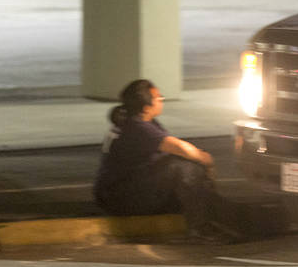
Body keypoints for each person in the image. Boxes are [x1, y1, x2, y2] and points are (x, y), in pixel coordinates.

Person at [93, 79, 235, 244]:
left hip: (121, 191)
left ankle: (212, 217)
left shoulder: (133, 120)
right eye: (159, 98)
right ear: (146, 107)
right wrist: (207, 160)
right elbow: (179, 148)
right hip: (119, 199)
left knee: (184, 165)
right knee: (182, 166)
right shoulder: (138, 128)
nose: (162, 100)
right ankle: (199, 228)